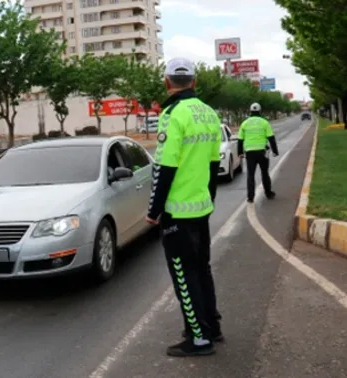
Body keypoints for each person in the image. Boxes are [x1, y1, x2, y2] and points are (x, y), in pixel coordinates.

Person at [144, 57, 223, 357]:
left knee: (183, 274)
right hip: (201, 208)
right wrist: (210, 198)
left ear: (167, 82)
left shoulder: (171, 114)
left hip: (178, 211)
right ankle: (212, 326)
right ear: (194, 82)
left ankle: (199, 337)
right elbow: (214, 163)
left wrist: (154, 211)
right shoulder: (209, 113)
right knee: (201, 269)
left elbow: (165, 166)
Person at [237, 103, 279, 203]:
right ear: (260, 111)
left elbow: (240, 140)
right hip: (262, 152)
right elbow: (271, 138)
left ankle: (250, 197)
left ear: (250, 111)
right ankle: (268, 193)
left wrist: (240, 153)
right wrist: (275, 151)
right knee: (265, 173)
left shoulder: (245, 123)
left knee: (250, 175)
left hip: (249, 152)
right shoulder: (264, 122)